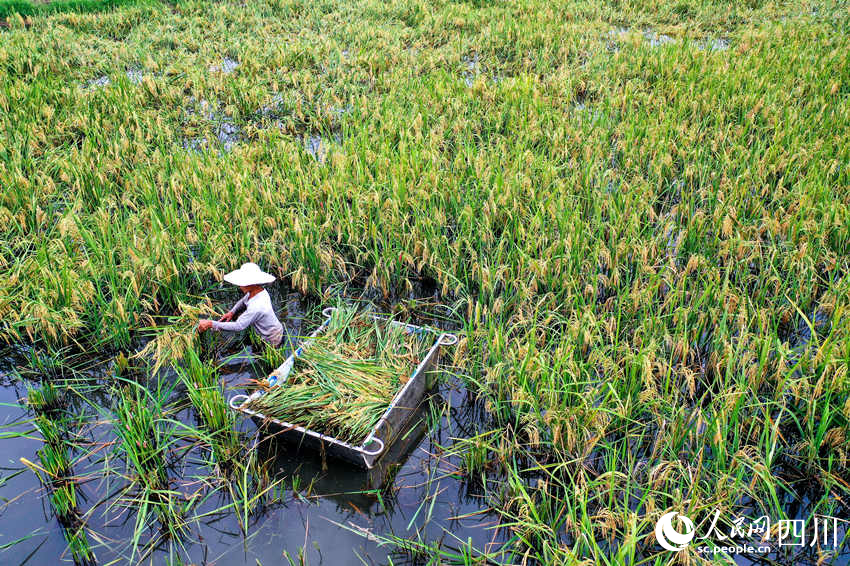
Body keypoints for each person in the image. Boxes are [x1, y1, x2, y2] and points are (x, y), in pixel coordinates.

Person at [197, 262, 284, 347]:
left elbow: (239, 326)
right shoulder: (258, 291)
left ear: (253, 283)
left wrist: (211, 324)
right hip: (268, 331)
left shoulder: (257, 306)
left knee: (263, 357)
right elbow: (243, 301)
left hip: (273, 338)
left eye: (242, 283)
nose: (240, 286)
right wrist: (232, 312)